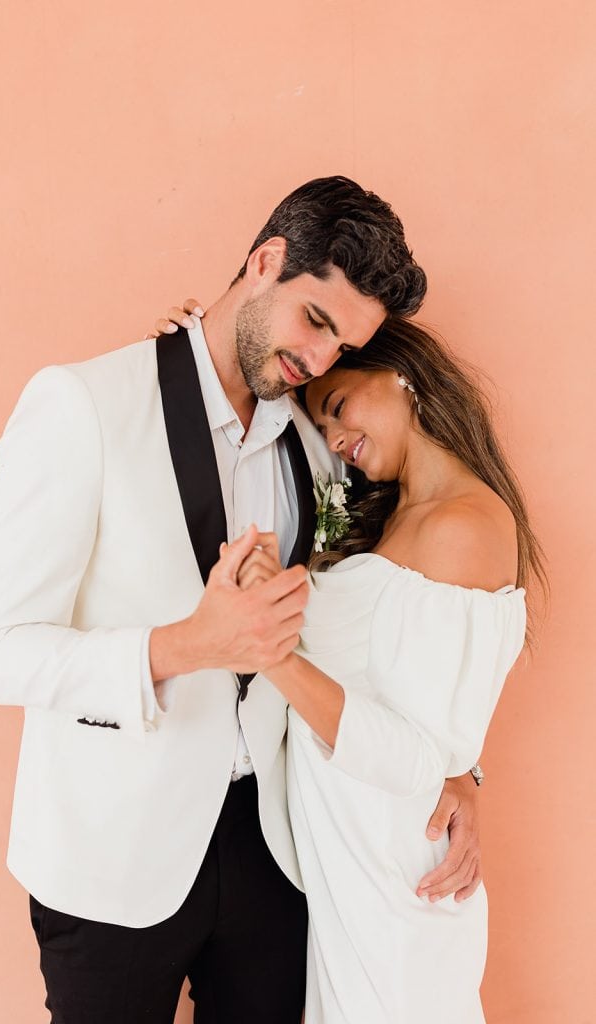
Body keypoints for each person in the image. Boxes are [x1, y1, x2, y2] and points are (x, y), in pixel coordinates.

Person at [0, 176, 481, 1024]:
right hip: (113, 862)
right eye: (314, 320)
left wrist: (459, 768)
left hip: (275, 850)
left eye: (339, 347)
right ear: (266, 260)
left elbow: (386, 612)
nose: (318, 361)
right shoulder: (82, 405)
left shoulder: (322, 444)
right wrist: (188, 644)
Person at [200, 316, 547, 1023]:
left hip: (391, 879)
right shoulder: (393, 516)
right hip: (343, 863)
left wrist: (270, 648)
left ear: (401, 376)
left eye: (337, 407)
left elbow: (421, 751)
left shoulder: (463, 526)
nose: (333, 441)